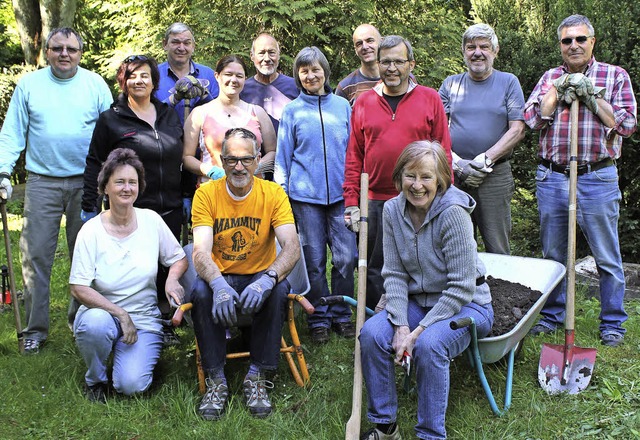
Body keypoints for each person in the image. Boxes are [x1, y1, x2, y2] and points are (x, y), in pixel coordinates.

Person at [359, 141, 493, 440]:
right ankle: (386, 427)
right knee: (371, 334)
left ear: (441, 180)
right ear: (399, 178)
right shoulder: (393, 210)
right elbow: (393, 272)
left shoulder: (454, 214)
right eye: (410, 176)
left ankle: (430, 435)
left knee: (430, 345)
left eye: (426, 177)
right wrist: (400, 324)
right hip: (419, 301)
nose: (417, 185)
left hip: (468, 304)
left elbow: (461, 286)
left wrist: (415, 333)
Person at [524, 14, 637, 347]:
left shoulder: (615, 75)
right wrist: (556, 93)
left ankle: (613, 323)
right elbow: (532, 120)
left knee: (606, 255)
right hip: (553, 177)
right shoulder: (549, 77)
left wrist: (591, 96)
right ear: (560, 45)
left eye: (580, 39)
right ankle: (552, 315)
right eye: (566, 40)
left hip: (597, 176)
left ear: (592, 42)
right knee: (554, 254)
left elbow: (627, 125)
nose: (573, 45)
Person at [0, 27, 113, 354]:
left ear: (80, 53)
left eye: (71, 49)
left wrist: (111, 174)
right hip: (42, 182)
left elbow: (111, 130)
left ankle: (82, 322)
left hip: (88, 182)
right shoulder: (29, 86)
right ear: (46, 51)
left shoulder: (94, 85)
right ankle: (35, 330)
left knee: (87, 256)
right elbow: (11, 134)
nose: (64, 54)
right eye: (57, 48)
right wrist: (4, 171)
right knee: (36, 256)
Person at [189, 128, 300, 420]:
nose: (239, 166)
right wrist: (217, 284)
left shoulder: (273, 193)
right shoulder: (206, 194)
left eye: (247, 159)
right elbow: (200, 251)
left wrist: (267, 279)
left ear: (258, 160)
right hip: (221, 275)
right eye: (232, 159)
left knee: (278, 289)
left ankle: (257, 375)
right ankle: (216, 379)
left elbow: (291, 247)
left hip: (258, 274)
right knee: (200, 292)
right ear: (222, 161)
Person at [343, 35, 452, 311]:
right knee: (374, 266)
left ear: (411, 64)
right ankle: (374, 326)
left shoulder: (430, 99)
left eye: (398, 62)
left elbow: (443, 152)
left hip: (420, 197)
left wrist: (443, 195)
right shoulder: (364, 102)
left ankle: (419, 318)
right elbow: (354, 156)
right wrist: (351, 202)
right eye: (385, 62)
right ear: (377, 65)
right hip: (376, 199)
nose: (391, 68)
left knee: (421, 261)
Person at [81, 55, 184, 345]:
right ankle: (115, 319)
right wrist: (90, 204)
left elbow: (181, 154)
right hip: (131, 208)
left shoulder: (168, 114)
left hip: (171, 205)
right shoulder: (111, 119)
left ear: (155, 81)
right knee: (137, 267)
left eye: (145, 76)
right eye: (132, 76)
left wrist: (187, 193)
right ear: (123, 82)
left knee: (167, 265)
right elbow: (94, 162)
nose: (139, 81)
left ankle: (164, 323)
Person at [70, 148, 187, 403]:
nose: (126, 188)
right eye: (119, 182)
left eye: (132, 182)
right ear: (106, 186)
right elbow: (78, 287)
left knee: (131, 386)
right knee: (96, 325)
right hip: (102, 313)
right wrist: (120, 314)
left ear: (139, 187)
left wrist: (171, 278)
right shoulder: (91, 232)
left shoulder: (151, 221)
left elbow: (179, 257)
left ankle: (134, 359)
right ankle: (96, 379)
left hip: (144, 318)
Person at [274, 47, 356, 344]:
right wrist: (282, 197)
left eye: (316, 69)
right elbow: (283, 158)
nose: (311, 75)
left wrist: (355, 192)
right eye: (304, 70)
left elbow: (353, 152)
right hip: (305, 198)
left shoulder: (342, 106)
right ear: (298, 75)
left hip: (340, 197)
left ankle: (342, 313)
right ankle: (319, 316)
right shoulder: (292, 110)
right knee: (314, 260)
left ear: (325, 71)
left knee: (347, 257)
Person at [439, 23, 526, 255]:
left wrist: (484, 160)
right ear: (463, 52)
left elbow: (517, 129)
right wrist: (457, 162)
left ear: (495, 51)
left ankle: (500, 291)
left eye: (484, 47)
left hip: (494, 175)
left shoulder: (509, 82)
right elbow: (438, 129)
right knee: (456, 245)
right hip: (454, 175)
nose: (477, 52)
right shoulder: (450, 84)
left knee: (497, 245)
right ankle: (464, 291)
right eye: (471, 47)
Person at [183, 55, 277, 184]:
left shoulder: (258, 113)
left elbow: (272, 151)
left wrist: (256, 167)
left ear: (245, 78)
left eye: (239, 76)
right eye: (228, 74)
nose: (233, 80)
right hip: (212, 192)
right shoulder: (200, 114)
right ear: (217, 76)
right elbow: (187, 157)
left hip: (253, 191)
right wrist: (210, 171)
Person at [156, 22, 219, 124]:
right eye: (175, 42)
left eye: (186, 43)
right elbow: (147, 113)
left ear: (193, 46)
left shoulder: (209, 75)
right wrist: (173, 99)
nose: (181, 48)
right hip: (164, 138)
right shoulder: (153, 75)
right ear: (165, 44)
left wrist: (204, 95)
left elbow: (220, 114)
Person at [240, 33, 299, 135]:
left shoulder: (295, 86)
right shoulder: (242, 89)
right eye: (261, 53)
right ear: (252, 56)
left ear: (279, 55)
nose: (267, 59)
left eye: (271, 52)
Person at [335, 24, 382, 106]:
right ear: (355, 50)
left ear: (381, 42)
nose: (365, 47)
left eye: (369, 40)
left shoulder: (400, 79)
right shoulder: (345, 87)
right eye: (359, 43)